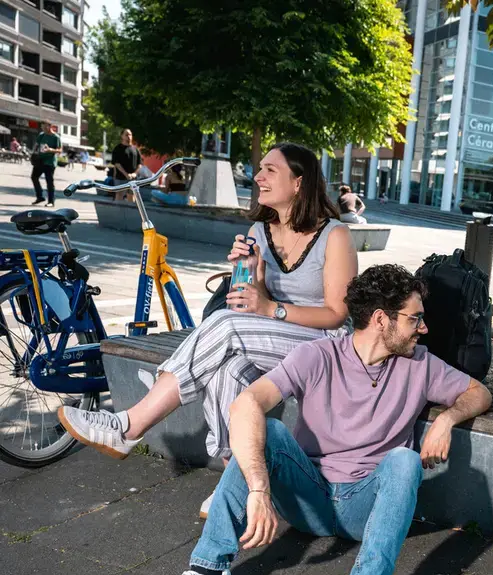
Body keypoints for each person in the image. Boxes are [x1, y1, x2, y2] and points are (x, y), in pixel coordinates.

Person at [128, 264, 493, 575]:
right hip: (307, 496)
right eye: (414, 318)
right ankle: (208, 574)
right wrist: (259, 491)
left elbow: (479, 393)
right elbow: (246, 403)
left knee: (404, 461)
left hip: (363, 507)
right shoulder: (318, 355)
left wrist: (445, 419)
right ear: (379, 320)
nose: (422, 328)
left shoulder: (421, 364)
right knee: (265, 430)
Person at [58, 142, 358, 479]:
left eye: (270, 170)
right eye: (259, 169)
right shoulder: (260, 231)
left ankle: (129, 425)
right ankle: (236, 480)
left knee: (225, 326)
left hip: (324, 345)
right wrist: (250, 272)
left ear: (298, 182)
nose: (258, 176)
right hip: (275, 341)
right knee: (225, 372)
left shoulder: (335, 235)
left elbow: (336, 313)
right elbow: (252, 302)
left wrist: (270, 308)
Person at [31, 122, 61, 207]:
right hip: (40, 161)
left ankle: (51, 201)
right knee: (34, 177)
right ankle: (40, 196)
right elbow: (36, 146)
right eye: (41, 127)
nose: (42, 128)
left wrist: (50, 150)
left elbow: (59, 150)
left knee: (49, 182)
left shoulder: (56, 137)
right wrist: (33, 154)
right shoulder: (41, 135)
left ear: (49, 126)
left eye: (44, 127)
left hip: (50, 162)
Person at [110, 129, 142, 202]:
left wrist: (134, 174)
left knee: (132, 195)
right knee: (119, 195)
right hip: (120, 178)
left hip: (133, 179)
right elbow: (117, 164)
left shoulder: (135, 150)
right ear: (122, 136)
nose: (129, 136)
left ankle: (130, 212)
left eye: (130, 134)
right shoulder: (117, 149)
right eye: (126, 134)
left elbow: (139, 164)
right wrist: (126, 174)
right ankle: (118, 212)